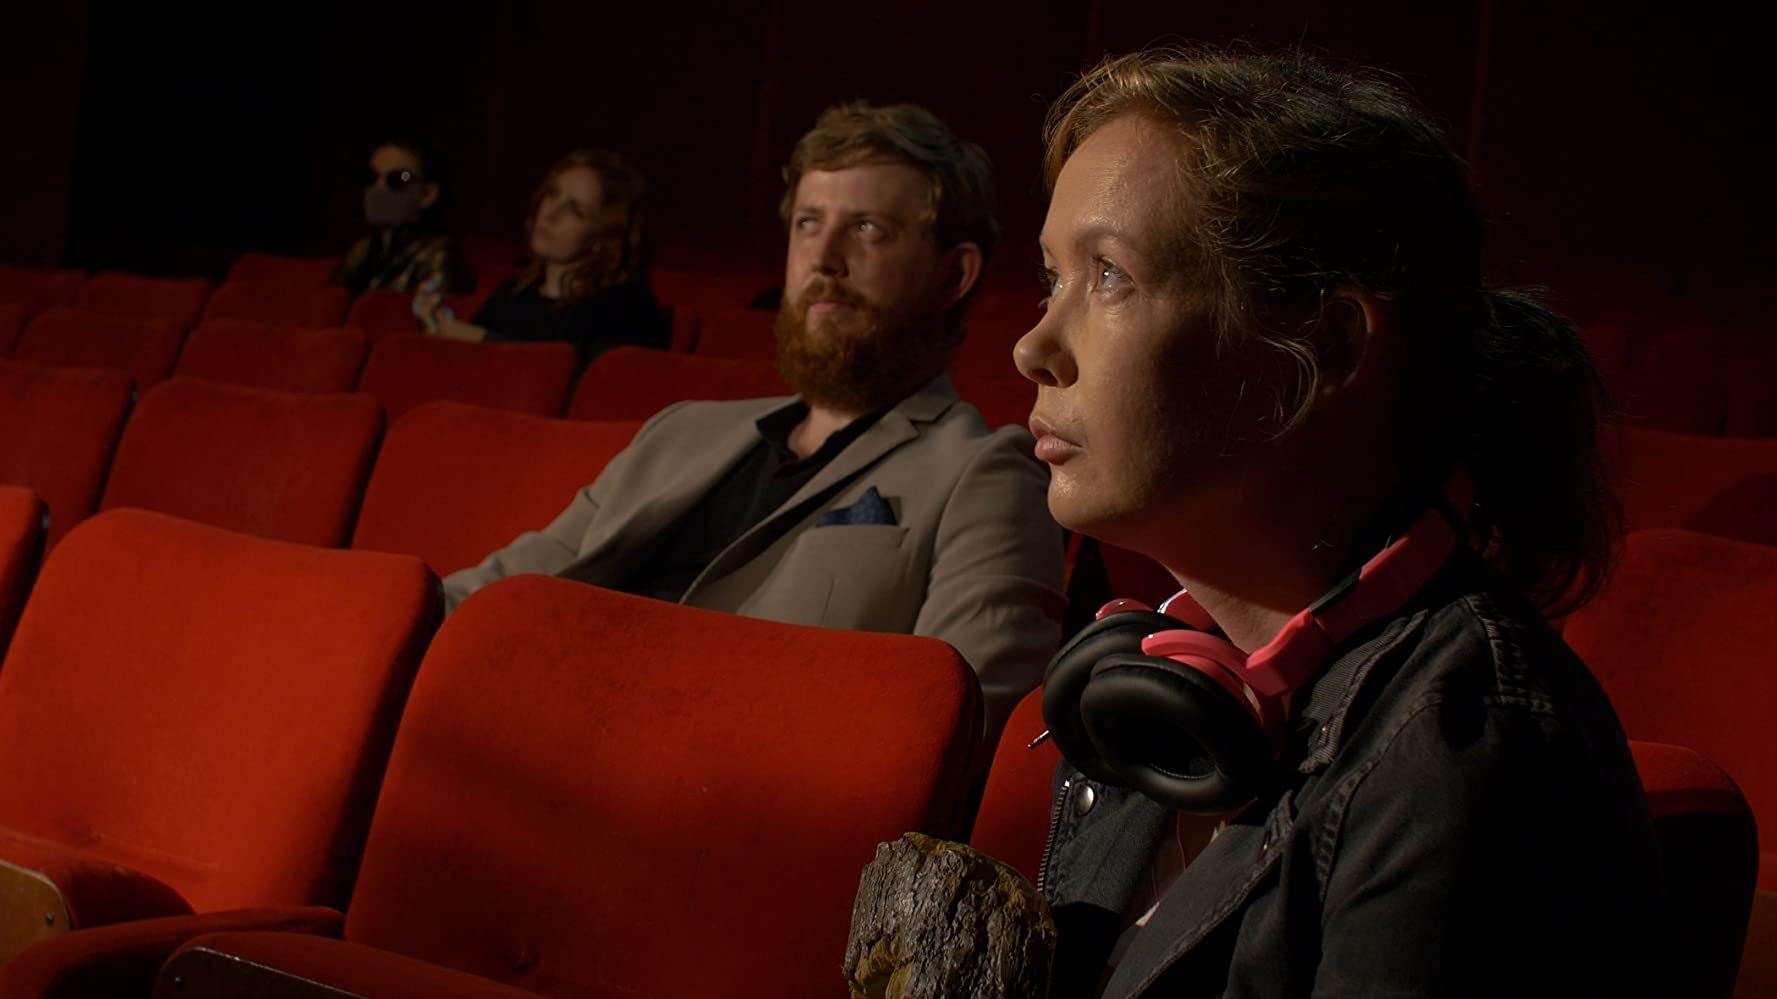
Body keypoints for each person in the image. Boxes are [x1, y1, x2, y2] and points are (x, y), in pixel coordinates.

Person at [1014, 47, 1661, 996]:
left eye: (1108, 275)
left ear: (1324, 346)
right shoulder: (1164, 690)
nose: (1034, 346)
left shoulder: (1467, 748)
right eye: (1049, 278)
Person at [444, 103, 1067, 750]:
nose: (823, 258)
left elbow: (956, 734)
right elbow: (500, 589)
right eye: (806, 223)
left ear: (953, 274)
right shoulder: (678, 431)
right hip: (521, 738)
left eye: (868, 228)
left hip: (715, 799)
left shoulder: (986, 472)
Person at [415, 150, 668, 366]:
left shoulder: (627, 307)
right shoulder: (515, 291)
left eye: (574, 210)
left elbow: (582, 382)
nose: (550, 214)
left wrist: (481, 340)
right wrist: (438, 326)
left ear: (605, 234)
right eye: (552, 194)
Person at [330, 138, 469, 295]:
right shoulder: (361, 251)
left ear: (428, 194)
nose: (379, 188)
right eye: (371, 177)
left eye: (399, 179)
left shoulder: (439, 256)